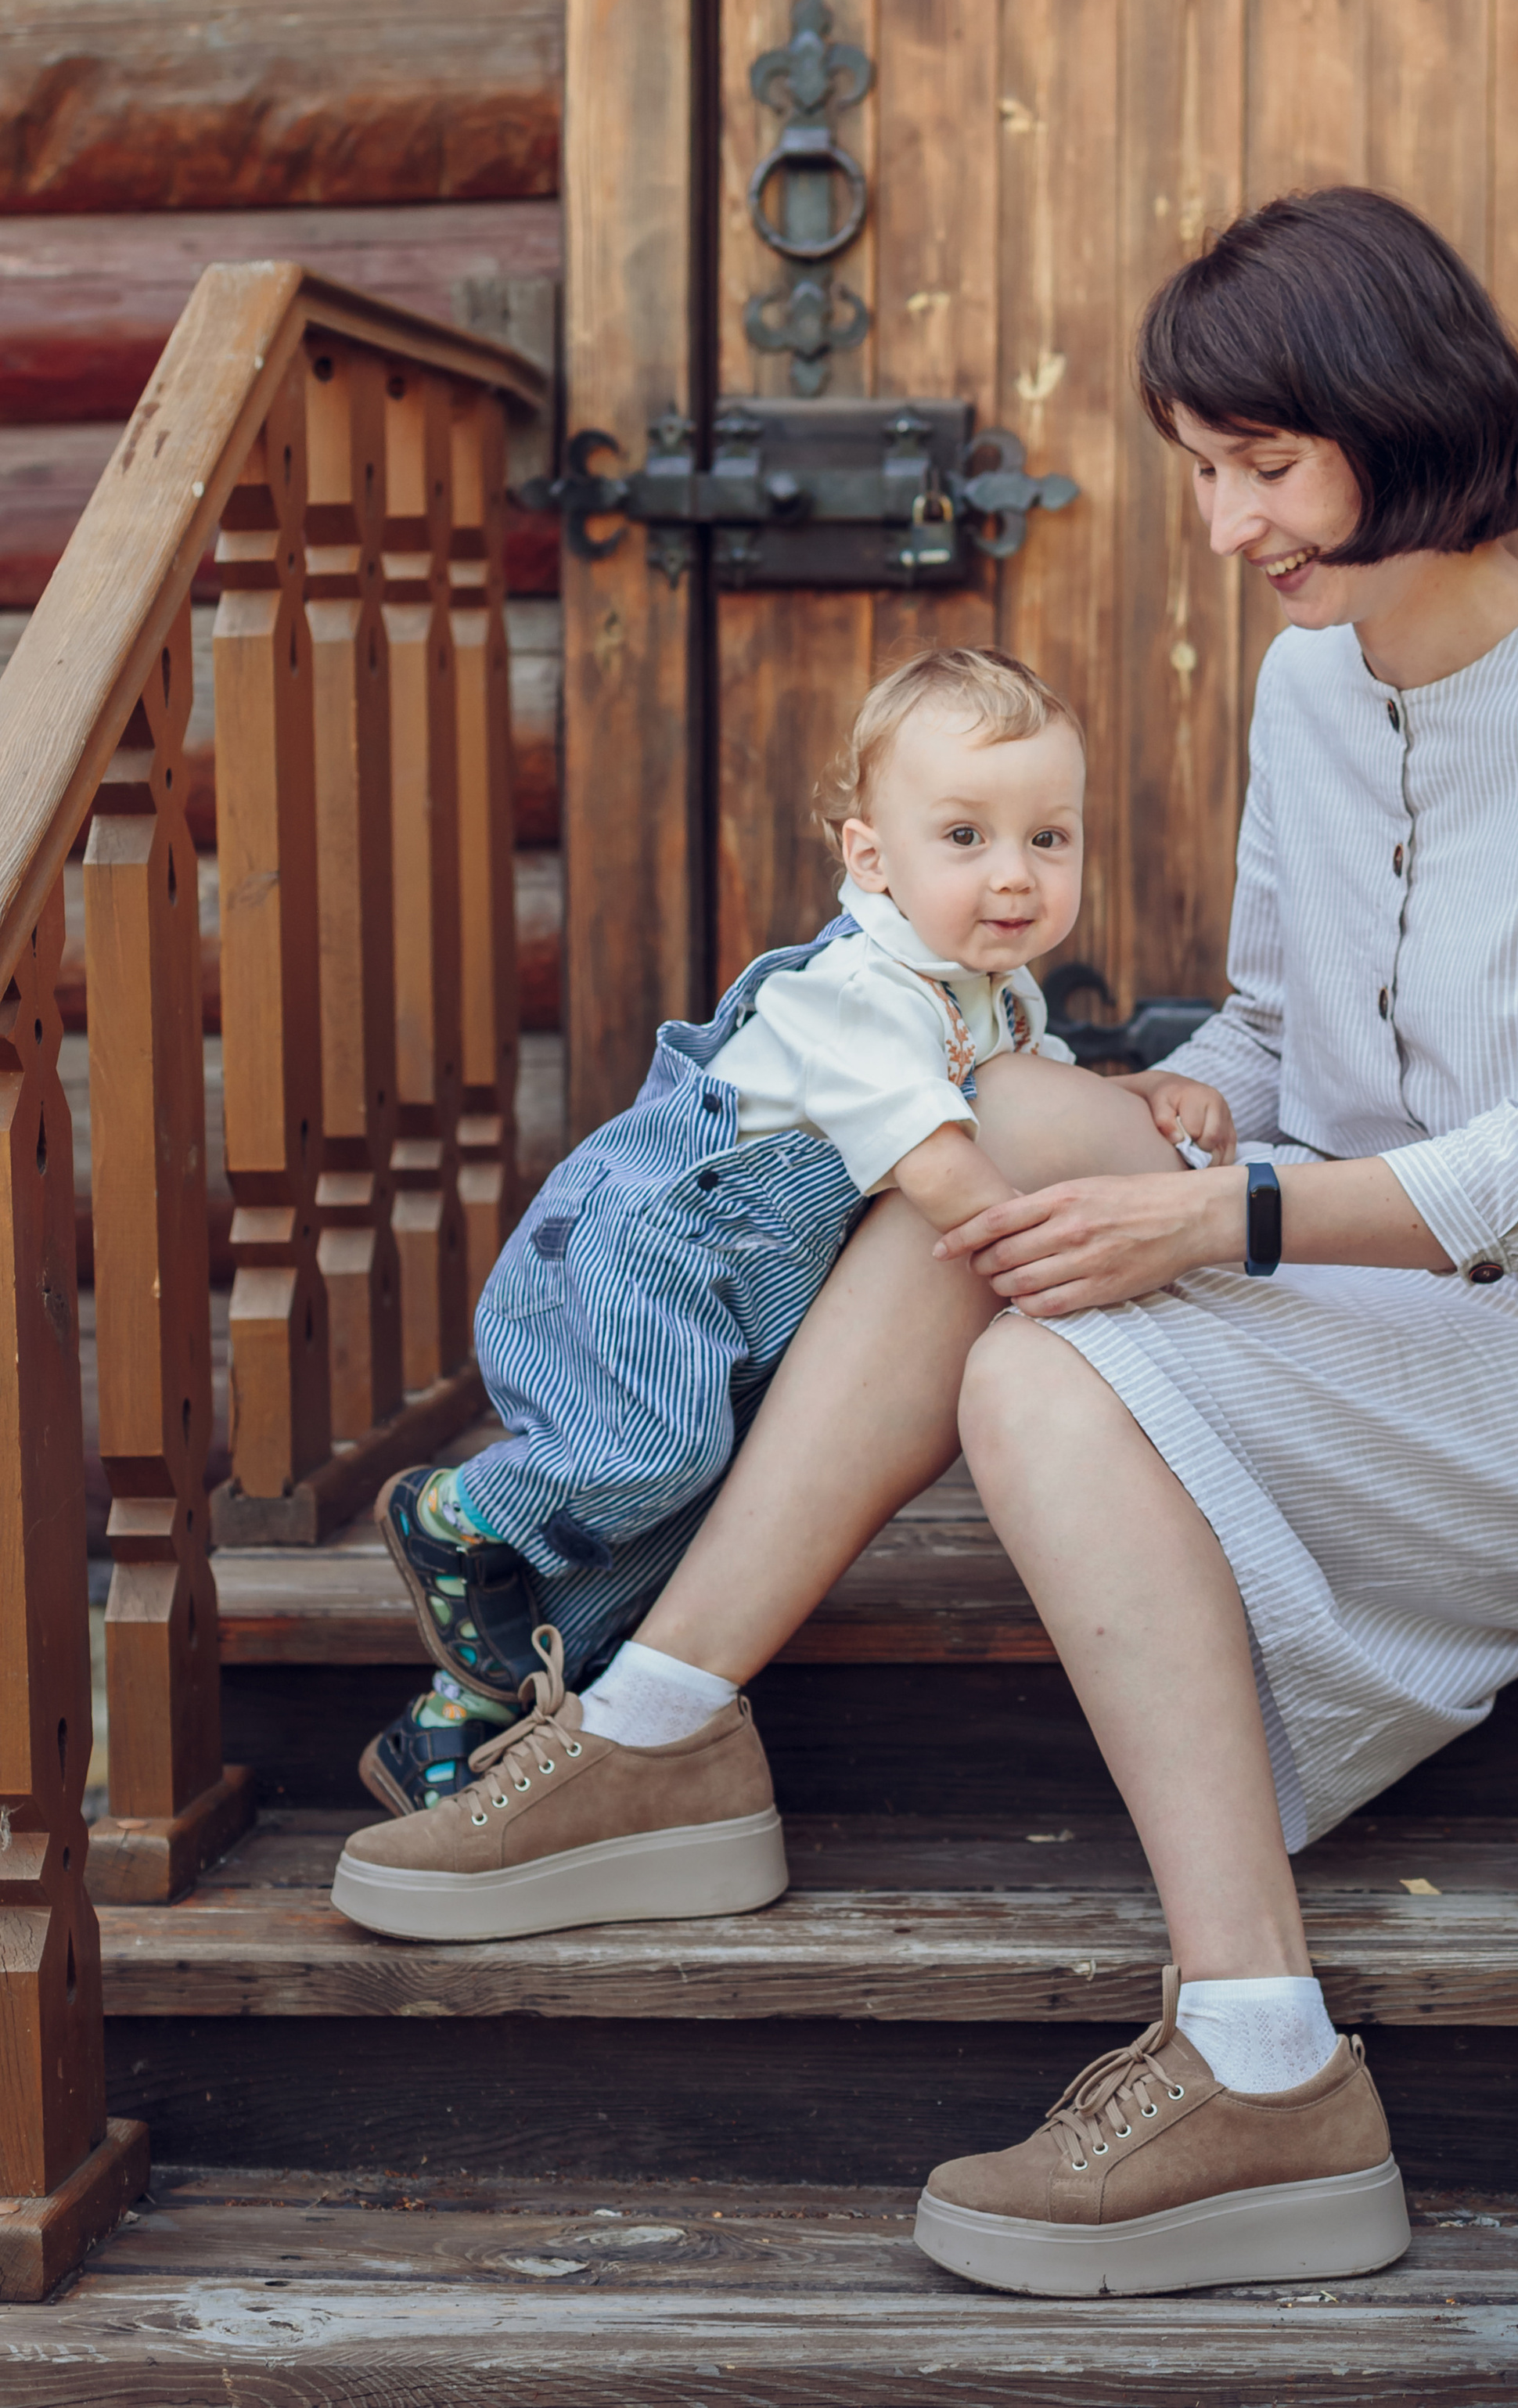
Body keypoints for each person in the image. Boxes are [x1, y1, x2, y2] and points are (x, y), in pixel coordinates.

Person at [344, 184, 1518, 2302]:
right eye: (1204, 474)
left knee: (1033, 1358)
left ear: (1410, 421)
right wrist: (1180, 1105)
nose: (1228, 530)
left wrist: (1205, 1209)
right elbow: (1284, 1029)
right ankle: (667, 1731)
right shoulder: (1321, 688)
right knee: (984, 1131)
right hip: (1366, 1299)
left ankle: (1245, 2048)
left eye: (1264, 469)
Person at [333, 643, 1232, 1902]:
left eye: (1052, 837)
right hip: (655, 1254)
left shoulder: (998, 993)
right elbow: (957, 1182)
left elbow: (1043, 1090)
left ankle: (452, 1732)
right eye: (966, 837)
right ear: (873, 859)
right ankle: (457, 1516)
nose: (1017, 876)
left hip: (753, 1289)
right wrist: (1080, 1261)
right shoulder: (864, 991)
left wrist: (1139, 1090)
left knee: (661, 1540)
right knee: (650, 1462)